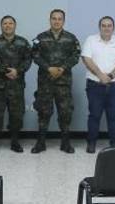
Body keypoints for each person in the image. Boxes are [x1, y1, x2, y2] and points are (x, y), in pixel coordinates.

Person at [31, 9, 81, 154]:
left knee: (65, 112)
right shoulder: (40, 37)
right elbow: (34, 54)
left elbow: (76, 55)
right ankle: (40, 143)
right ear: (50, 20)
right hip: (45, 81)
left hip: (63, 82)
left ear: (63, 21)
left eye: (59, 19)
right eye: (54, 18)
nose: (56, 21)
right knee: (44, 112)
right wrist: (48, 68)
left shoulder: (71, 38)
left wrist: (62, 68)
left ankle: (65, 143)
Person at [81, 16, 115, 153]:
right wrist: (100, 75)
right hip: (95, 84)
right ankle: (91, 143)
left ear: (113, 28)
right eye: (104, 25)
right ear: (99, 27)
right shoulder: (91, 40)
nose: (106, 28)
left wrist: (110, 76)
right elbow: (86, 59)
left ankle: (114, 144)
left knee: (114, 116)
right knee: (94, 115)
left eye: (109, 25)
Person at [0, 15, 33, 153]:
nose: (8, 25)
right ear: (1, 26)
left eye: (10, 23)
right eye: (5, 23)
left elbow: (28, 60)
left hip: (16, 85)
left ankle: (15, 142)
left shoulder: (23, 42)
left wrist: (17, 71)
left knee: (17, 115)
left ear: (15, 25)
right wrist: (7, 71)